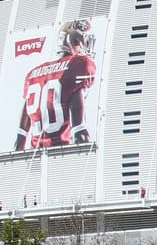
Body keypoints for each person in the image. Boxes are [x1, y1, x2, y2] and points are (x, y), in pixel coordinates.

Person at [13, 19, 96, 151]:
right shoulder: (78, 65)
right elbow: (79, 130)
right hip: (60, 153)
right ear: (74, 41)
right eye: (83, 41)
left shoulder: (33, 74)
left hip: (35, 153)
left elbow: (21, 135)